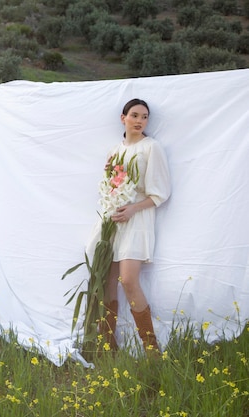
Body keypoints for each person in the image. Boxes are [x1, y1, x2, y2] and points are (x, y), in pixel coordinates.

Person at [98, 98, 171, 353]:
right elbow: (108, 189)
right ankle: (108, 345)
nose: (140, 121)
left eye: (144, 117)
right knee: (106, 280)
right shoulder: (114, 151)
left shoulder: (152, 148)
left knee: (128, 280)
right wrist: (111, 210)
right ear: (123, 118)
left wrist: (132, 209)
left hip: (137, 219)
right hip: (113, 221)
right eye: (135, 115)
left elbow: (159, 193)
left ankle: (151, 350)